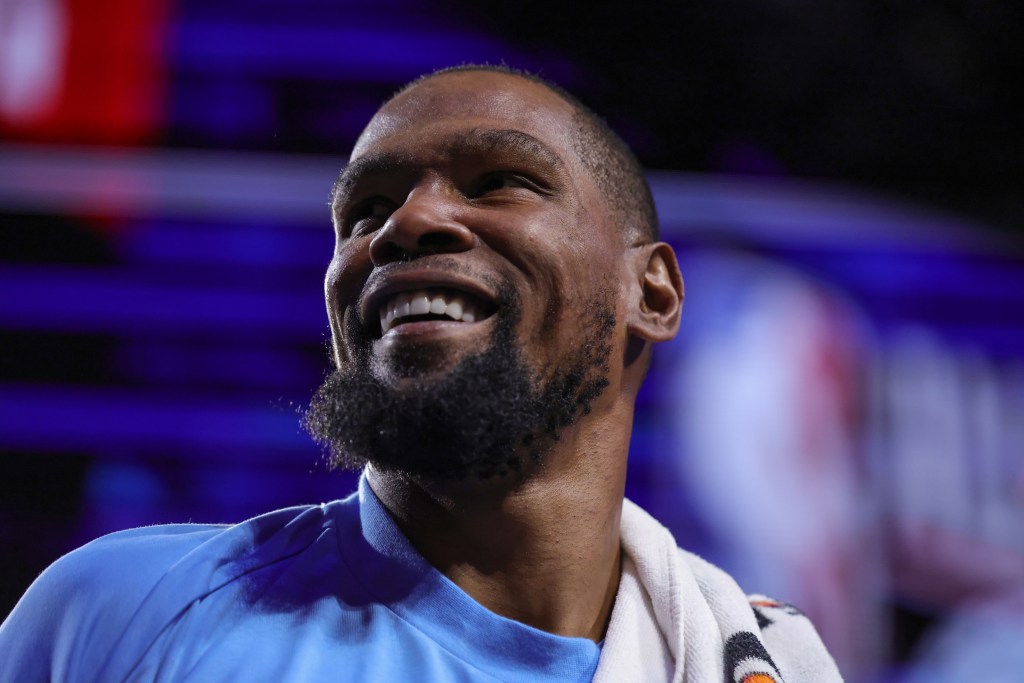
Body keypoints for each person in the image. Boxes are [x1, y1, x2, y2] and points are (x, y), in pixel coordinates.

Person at [0, 65, 842, 682]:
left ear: (650, 292)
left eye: (501, 182)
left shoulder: (777, 664)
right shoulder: (117, 617)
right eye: (364, 210)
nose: (408, 222)